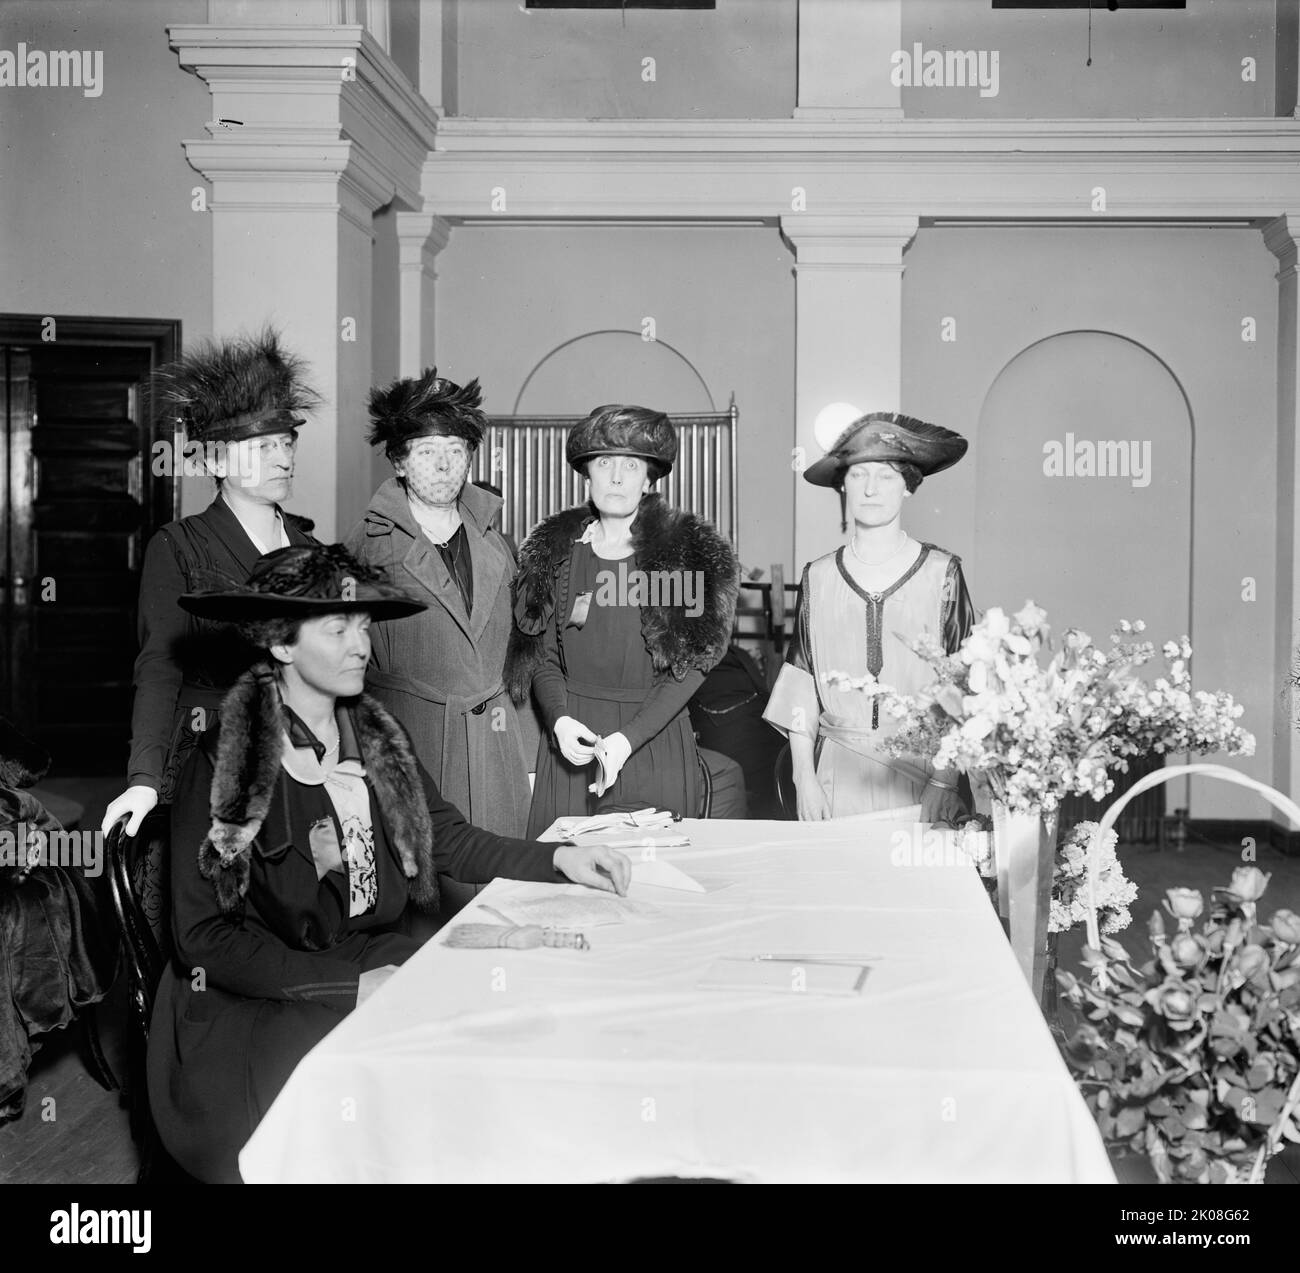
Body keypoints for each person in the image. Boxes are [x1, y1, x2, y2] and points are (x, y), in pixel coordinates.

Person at [145, 544, 630, 1183]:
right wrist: (353, 990)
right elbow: (206, 941)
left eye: (365, 626)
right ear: (282, 646)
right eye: (338, 628)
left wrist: (560, 858)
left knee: (497, 1018)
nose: (361, 645)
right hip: (253, 1004)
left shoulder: (375, 736)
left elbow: (448, 838)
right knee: (392, 1086)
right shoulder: (228, 761)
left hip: (360, 958)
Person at [100, 330, 320, 847]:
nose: (282, 457)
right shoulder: (178, 546)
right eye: (262, 446)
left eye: (286, 442)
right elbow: (159, 666)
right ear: (215, 462)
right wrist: (143, 780)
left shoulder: (308, 545)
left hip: (295, 754)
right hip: (208, 756)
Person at [346, 369, 530, 917]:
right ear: (399, 461)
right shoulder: (364, 551)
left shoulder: (498, 539)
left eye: (456, 449)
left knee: (505, 905)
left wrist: (529, 755)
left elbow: (523, 655)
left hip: (498, 753)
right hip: (415, 746)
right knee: (427, 917)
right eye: (428, 451)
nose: (446, 464)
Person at [507, 405, 739, 836]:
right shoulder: (559, 556)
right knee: (561, 890)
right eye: (604, 462)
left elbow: (693, 663)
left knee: (648, 889)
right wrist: (558, 718)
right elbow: (540, 652)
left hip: (651, 745)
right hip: (570, 749)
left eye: (631, 465)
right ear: (586, 474)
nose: (616, 477)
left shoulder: (674, 560)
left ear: (649, 479)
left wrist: (627, 739)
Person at [764, 412, 976, 822]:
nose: (872, 488)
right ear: (843, 484)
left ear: (909, 486)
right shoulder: (819, 577)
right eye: (859, 475)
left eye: (887, 475)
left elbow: (964, 689)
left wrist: (944, 782)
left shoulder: (942, 574)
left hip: (920, 779)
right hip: (835, 777)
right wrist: (803, 779)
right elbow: (800, 688)